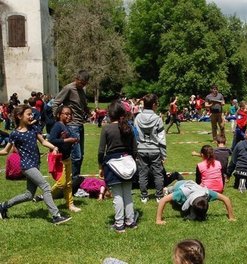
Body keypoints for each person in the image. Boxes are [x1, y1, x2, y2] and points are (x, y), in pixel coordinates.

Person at [0, 105, 71, 224]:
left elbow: (43, 141)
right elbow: (6, 151)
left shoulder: (33, 128)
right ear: (19, 116)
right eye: (28, 114)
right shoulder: (14, 134)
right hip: (27, 166)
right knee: (46, 187)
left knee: (29, 195)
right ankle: (55, 216)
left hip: (35, 164)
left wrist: (54, 147)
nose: (31, 116)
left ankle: (3, 206)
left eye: (31, 114)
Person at [98, 100, 138, 233]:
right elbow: (134, 149)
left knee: (117, 196)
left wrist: (101, 166)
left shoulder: (107, 129)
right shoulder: (129, 127)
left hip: (112, 164)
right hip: (128, 162)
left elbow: (101, 151)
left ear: (110, 114)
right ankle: (130, 221)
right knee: (127, 194)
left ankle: (119, 224)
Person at [53, 69, 90, 180]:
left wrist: (87, 111)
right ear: (76, 79)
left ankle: (75, 179)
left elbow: (82, 105)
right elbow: (56, 103)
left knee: (80, 155)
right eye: (81, 83)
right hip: (72, 125)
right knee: (76, 155)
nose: (82, 85)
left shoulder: (82, 90)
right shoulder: (68, 88)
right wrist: (59, 120)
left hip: (80, 124)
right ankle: (72, 181)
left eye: (84, 84)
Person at [134, 94, 167, 204]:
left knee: (142, 173)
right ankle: (159, 196)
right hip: (154, 149)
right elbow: (161, 138)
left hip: (141, 149)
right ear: (153, 105)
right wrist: (163, 154)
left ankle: (144, 196)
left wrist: (135, 150)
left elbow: (135, 135)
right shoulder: (158, 119)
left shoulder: (137, 118)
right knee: (158, 173)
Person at [48, 105, 81, 212]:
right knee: (61, 183)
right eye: (66, 114)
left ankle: (70, 204)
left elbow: (64, 139)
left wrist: (74, 140)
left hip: (67, 158)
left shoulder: (66, 126)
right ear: (59, 115)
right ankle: (46, 196)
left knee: (68, 183)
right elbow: (51, 139)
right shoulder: (57, 125)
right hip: (59, 159)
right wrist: (67, 140)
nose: (69, 116)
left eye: (70, 114)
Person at [156, 180, 235, 224]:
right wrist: (158, 220)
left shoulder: (207, 193)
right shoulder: (182, 193)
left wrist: (231, 217)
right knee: (173, 196)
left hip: (194, 186)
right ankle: (167, 189)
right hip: (181, 185)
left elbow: (226, 199)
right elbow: (163, 200)